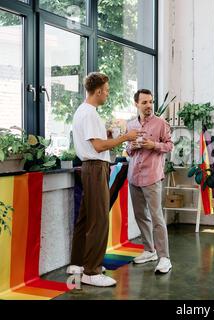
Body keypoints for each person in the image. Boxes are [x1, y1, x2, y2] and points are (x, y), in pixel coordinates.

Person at [66, 72, 140, 287]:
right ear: (97, 91)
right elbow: (98, 147)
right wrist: (125, 137)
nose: (107, 94)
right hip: (95, 168)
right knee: (99, 220)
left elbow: (95, 142)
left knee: (85, 218)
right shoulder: (89, 113)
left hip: (90, 167)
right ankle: (92, 271)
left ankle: (78, 264)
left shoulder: (83, 111)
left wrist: (108, 134)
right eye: (106, 90)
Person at [126, 89, 174, 273]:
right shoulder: (131, 125)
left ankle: (164, 258)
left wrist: (153, 145)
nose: (148, 106)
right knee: (140, 215)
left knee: (157, 218)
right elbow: (128, 151)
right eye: (144, 102)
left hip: (152, 177)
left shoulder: (161, 123)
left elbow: (169, 145)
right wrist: (133, 146)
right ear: (136, 104)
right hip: (134, 177)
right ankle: (149, 250)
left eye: (150, 102)